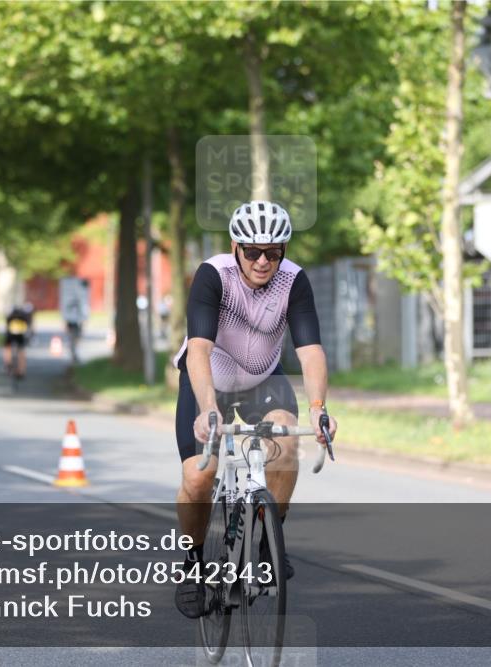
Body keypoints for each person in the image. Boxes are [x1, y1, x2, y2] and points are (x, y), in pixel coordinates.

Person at [172, 200, 338, 618]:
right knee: (199, 476)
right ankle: (193, 564)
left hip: (263, 376)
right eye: (252, 251)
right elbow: (199, 349)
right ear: (235, 247)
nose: (263, 261)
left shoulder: (294, 281)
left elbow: (311, 350)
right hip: (210, 378)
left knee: (285, 441)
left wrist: (319, 407)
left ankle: (267, 542)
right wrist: (208, 408)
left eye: (274, 251)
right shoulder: (214, 276)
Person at [3, 302, 34, 378]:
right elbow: (28, 326)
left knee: (8, 347)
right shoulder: (24, 316)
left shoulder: (10, 316)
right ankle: (21, 371)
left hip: (10, 334)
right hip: (20, 334)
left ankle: (8, 363)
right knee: (21, 350)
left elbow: (7, 325)